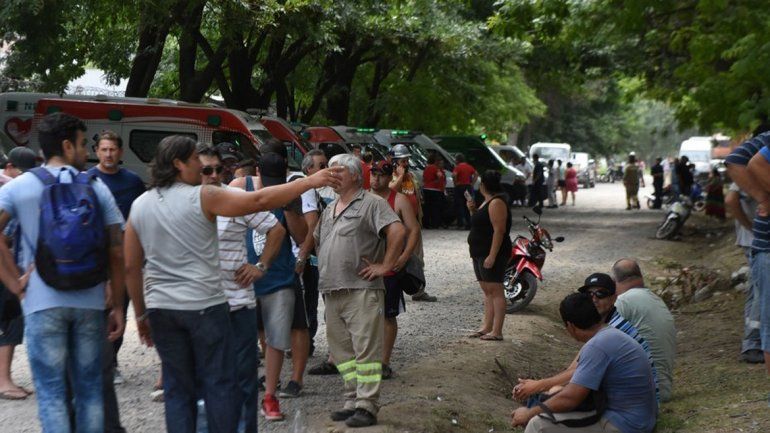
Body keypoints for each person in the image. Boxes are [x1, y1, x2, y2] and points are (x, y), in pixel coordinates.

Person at [124, 135, 340, 433]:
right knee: (220, 383)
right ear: (177, 164)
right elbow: (260, 200)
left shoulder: (139, 204)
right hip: (204, 307)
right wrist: (309, 182)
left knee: (177, 390)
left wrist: (140, 314)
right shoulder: (203, 196)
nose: (200, 167)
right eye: (193, 161)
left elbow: (131, 266)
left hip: (162, 310)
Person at [0, 113, 126, 432]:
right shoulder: (96, 187)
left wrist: (14, 282)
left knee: (52, 393)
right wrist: (117, 304)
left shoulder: (20, 186)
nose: (89, 152)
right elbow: (116, 249)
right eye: (84, 144)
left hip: (41, 303)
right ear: (67, 146)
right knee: (89, 391)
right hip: (89, 302)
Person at [315, 153, 405, 428]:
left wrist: (385, 265)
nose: (332, 174)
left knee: (366, 350)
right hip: (333, 290)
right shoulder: (330, 208)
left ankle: (367, 406)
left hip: (361, 289)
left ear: (355, 175)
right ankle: (352, 400)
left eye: (338, 170)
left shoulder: (371, 203)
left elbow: (398, 231)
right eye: (329, 170)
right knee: (341, 351)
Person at [200, 144, 285, 432]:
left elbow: (276, 229)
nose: (213, 175)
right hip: (199, 307)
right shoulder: (181, 201)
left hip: (238, 305)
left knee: (243, 381)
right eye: (205, 170)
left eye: (217, 169)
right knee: (206, 381)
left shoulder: (236, 197)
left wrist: (260, 266)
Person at [511, 292, 657, 433]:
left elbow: (571, 398)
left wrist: (529, 413)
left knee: (537, 424)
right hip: (637, 417)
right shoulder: (608, 334)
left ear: (570, 326)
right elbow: (574, 381)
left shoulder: (597, 346)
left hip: (625, 424)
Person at [513, 273, 659, 406]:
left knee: (554, 397)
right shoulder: (601, 327)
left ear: (614, 298)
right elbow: (575, 368)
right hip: (633, 401)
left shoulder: (614, 330)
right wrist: (538, 386)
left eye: (601, 294)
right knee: (555, 392)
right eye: (588, 294)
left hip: (635, 406)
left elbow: (575, 374)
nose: (594, 299)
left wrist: (539, 386)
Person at [242, 148, 311, 415]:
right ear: (257, 173)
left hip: (279, 279)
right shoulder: (243, 192)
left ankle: (270, 395)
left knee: (277, 339)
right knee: (244, 340)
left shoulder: (288, 196)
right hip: (245, 280)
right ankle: (244, 392)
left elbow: (301, 235)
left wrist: (289, 206)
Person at [86, 130, 146, 388]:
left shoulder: (132, 181)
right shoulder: (87, 180)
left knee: (121, 306)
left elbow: (140, 216)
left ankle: (112, 361)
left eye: (113, 149)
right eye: (104, 149)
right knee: (97, 311)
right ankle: (97, 363)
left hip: (126, 256)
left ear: (120, 152)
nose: (109, 154)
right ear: (96, 152)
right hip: (95, 258)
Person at [369, 160, 421, 379]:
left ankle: (384, 361)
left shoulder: (398, 200)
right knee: (365, 315)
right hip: (366, 266)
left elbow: (413, 229)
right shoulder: (363, 197)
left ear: (389, 177)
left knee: (388, 315)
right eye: (373, 174)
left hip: (389, 268)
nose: (376, 179)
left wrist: (405, 255)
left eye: (381, 175)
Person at [0, 146, 38, 401]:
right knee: (9, 323)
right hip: (6, 271)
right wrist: (16, 277)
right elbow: (5, 236)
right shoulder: (10, 191)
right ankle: (3, 380)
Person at [611, 259, 676, 401]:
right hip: (663, 389)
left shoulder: (623, 301)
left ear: (615, 280)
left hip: (645, 392)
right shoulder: (655, 299)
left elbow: (601, 346)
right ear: (640, 276)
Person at [733, 130, 770, 369]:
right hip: (763, 244)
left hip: (759, 242)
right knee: (760, 303)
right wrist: (763, 199)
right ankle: (750, 343)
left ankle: (751, 342)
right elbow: (748, 162)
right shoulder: (758, 157)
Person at [466, 170, 512, 341]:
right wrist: (472, 210)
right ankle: (487, 326)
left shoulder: (496, 203)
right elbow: (481, 224)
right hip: (478, 251)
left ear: (483, 185)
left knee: (496, 290)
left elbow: (499, 231)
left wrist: (492, 255)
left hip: (491, 252)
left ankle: (497, 331)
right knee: (487, 291)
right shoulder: (486, 202)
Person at [724, 183, 763, 363]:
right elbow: (731, 199)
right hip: (756, 240)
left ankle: (753, 340)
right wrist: (749, 226)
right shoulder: (752, 166)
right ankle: (753, 343)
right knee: (760, 292)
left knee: (755, 290)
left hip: (754, 239)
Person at [452, 153, 477, 229]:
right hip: (468, 188)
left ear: (458, 160)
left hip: (459, 188)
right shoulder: (469, 167)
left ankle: (460, 224)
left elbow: (454, 175)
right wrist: (472, 183)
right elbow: (476, 174)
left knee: (459, 205)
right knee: (468, 204)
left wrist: (456, 183)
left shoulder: (458, 167)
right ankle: (469, 223)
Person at [422, 153, 447, 229]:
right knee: (435, 208)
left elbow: (424, 179)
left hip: (426, 189)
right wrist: (438, 181)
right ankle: (435, 224)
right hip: (435, 190)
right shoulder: (435, 168)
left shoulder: (426, 168)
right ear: (435, 161)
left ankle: (426, 224)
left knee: (427, 207)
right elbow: (440, 176)